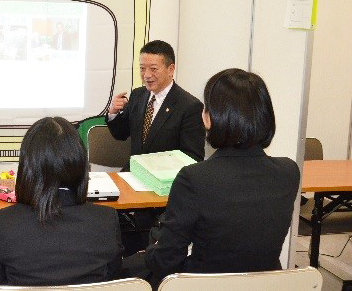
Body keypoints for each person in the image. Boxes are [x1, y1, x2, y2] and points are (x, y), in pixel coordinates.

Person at [123, 68, 301, 287]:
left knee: (125, 268)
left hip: (202, 284)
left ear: (208, 118)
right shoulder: (288, 171)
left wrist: (151, 245)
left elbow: (165, 260)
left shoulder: (194, 178)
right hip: (265, 284)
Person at [0, 117, 123, 286]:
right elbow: (113, 284)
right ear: (80, 164)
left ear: (27, 167)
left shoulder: (2, 223)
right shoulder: (107, 220)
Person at [106, 40, 205, 163]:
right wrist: (113, 113)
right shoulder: (137, 95)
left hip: (164, 178)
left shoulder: (190, 106)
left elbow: (193, 157)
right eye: (142, 68)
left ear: (171, 69)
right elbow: (121, 134)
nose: (146, 75)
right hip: (134, 172)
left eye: (153, 69)